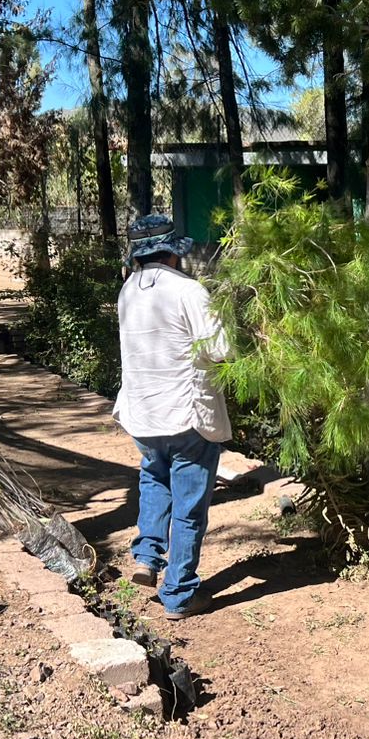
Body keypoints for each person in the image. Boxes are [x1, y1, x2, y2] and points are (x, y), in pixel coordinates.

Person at [112, 214, 231, 621]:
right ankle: (179, 594)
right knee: (189, 505)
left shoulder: (127, 291)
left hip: (142, 413)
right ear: (173, 253)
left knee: (153, 479)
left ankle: (146, 556)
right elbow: (222, 351)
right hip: (186, 415)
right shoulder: (189, 291)